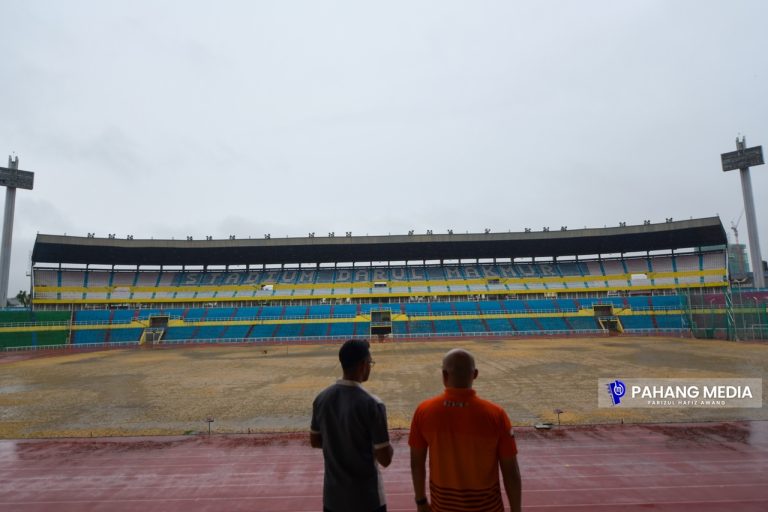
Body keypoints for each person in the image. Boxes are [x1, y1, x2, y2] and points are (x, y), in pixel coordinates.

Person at [409, 348, 522, 512]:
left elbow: (416, 464)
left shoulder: (424, 411)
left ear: (444, 375)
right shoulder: (496, 415)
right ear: (475, 374)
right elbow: (511, 472)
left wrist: (421, 502)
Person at [310, 339, 394, 512]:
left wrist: (339, 443)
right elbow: (385, 459)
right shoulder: (373, 404)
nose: (370, 366)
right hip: (367, 500)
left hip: (332, 499)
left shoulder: (321, 399)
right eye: (370, 362)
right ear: (363, 364)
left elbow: (315, 441)